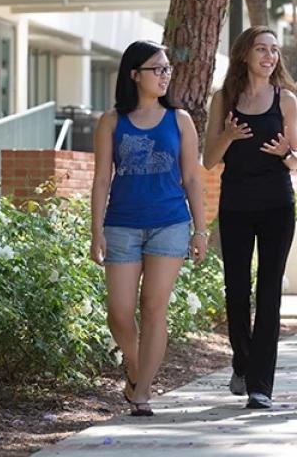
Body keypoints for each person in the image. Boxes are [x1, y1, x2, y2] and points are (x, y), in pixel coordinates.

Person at [90, 40, 208, 417]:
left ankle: (140, 393)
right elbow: (101, 180)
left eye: (167, 69)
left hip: (170, 224)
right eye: (157, 69)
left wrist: (200, 230)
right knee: (119, 311)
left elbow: (191, 177)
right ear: (134, 75)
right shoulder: (111, 121)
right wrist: (96, 230)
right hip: (122, 224)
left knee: (154, 308)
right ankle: (138, 368)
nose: (165, 75)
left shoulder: (180, 120)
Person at [203, 26, 297, 409]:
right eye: (261, 49)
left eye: (274, 50)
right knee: (237, 290)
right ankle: (242, 361)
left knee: (269, 292)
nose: (269, 56)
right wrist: (227, 135)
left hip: (277, 204)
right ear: (244, 54)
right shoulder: (223, 99)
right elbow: (209, 159)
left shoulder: (286, 100)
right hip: (236, 206)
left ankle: (261, 384)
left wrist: (284, 154)